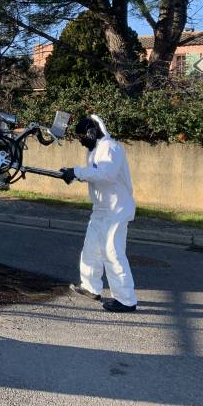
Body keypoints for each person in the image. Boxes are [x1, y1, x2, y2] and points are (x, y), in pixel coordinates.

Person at [60, 115, 138, 313]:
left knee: (112, 252)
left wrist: (76, 172)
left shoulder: (111, 148)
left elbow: (106, 174)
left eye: (82, 136)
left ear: (92, 132)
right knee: (91, 248)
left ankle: (126, 300)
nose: (81, 140)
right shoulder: (95, 151)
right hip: (101, 209)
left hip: (116, 209)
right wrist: (74, 175)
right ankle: (90, 287)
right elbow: (94, 175)